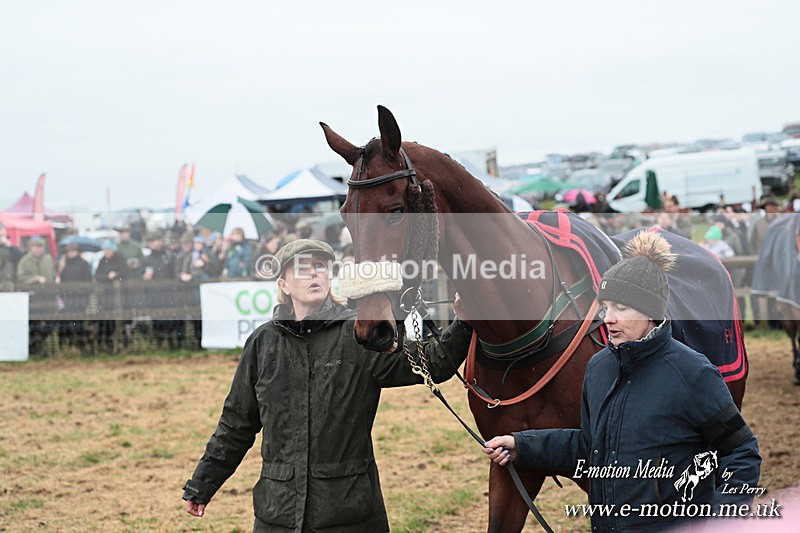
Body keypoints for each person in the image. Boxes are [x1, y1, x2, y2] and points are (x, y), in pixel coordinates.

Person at [182, 239, 473, 532]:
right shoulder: (262, 343)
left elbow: (433, 363)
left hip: (349, 515)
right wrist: (203, 483)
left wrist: (464, 321)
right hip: (277, 514)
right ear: (283, 283)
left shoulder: (358, 334)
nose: (314, 274)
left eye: (320, 267)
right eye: (303, 268)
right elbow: (236, 424)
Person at [482, 231, 760, 532]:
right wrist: (521, 445)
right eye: (606, 307)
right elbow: (590, 445)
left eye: (622, 309)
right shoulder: (599, 368)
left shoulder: (692, 373)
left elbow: (742, 451)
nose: (609, 319)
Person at [55, 243, 92, 350]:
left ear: (77, 252)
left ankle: (80, 347)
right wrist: (63, 294)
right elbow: (61, 282)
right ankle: (68, 346)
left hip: (80, 299)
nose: (71, 253)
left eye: (73, 251)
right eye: (69, 251)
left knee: (78, 323)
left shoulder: (84, 264)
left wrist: (81, 292)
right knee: (66, 323)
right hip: (68, 299)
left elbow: (88, 282)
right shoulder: (64, 265)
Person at [94, 240, 129, 352]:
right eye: (105, 250)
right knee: (108, 321)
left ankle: (124, 344)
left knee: (121, 321)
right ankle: (109, 346)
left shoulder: (120, 259)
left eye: (108, 250)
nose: (106, 252)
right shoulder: (102, 261)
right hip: (106, 297)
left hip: (120, 296)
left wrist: (116, 275)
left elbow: (124, 273)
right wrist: (107, 276)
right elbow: (98, 275)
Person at [0, 223, 22, 292]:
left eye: (4, 235)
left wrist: (11, 247)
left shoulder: (10, 247)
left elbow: (20, 257)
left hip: (9, 280)